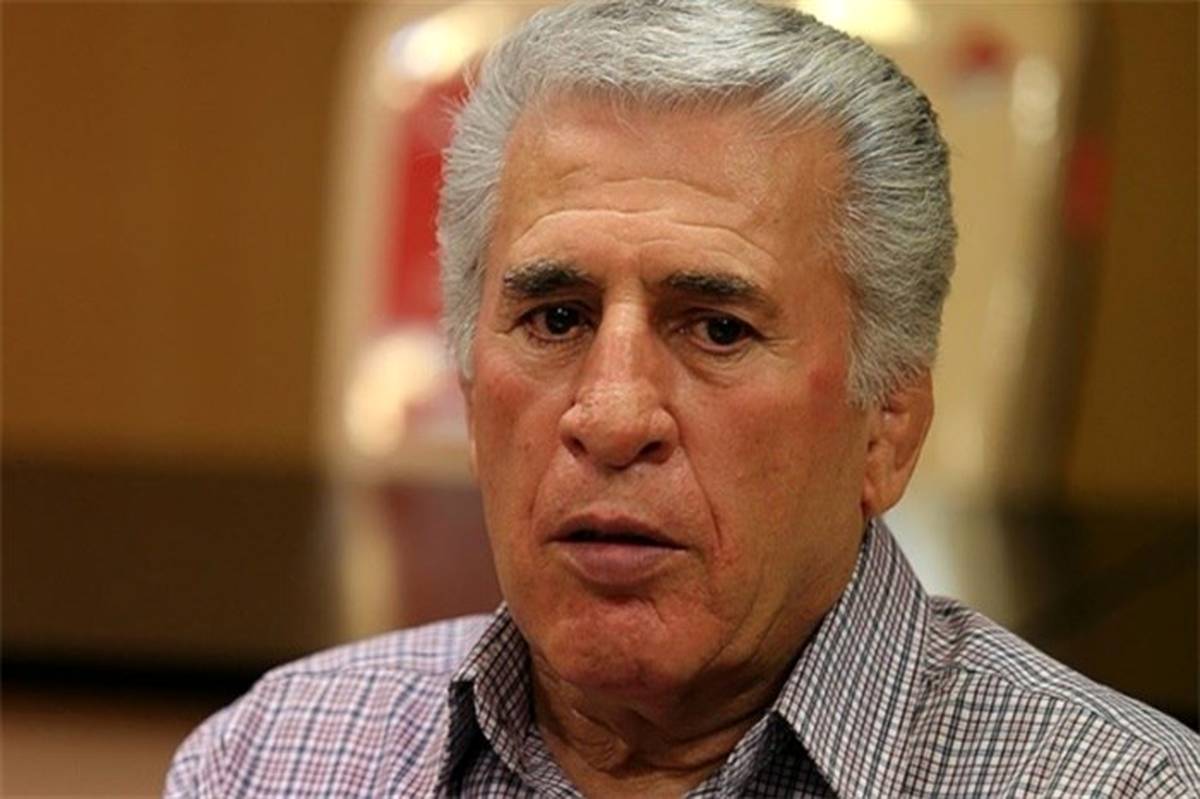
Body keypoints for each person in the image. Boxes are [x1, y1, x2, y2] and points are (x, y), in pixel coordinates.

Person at [166, 1, 1200, 796]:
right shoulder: (274, 758)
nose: (612, 417)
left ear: (889, 422)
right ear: (473, 389)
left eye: (717, 329)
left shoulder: (1117, 786)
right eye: (556, 318)